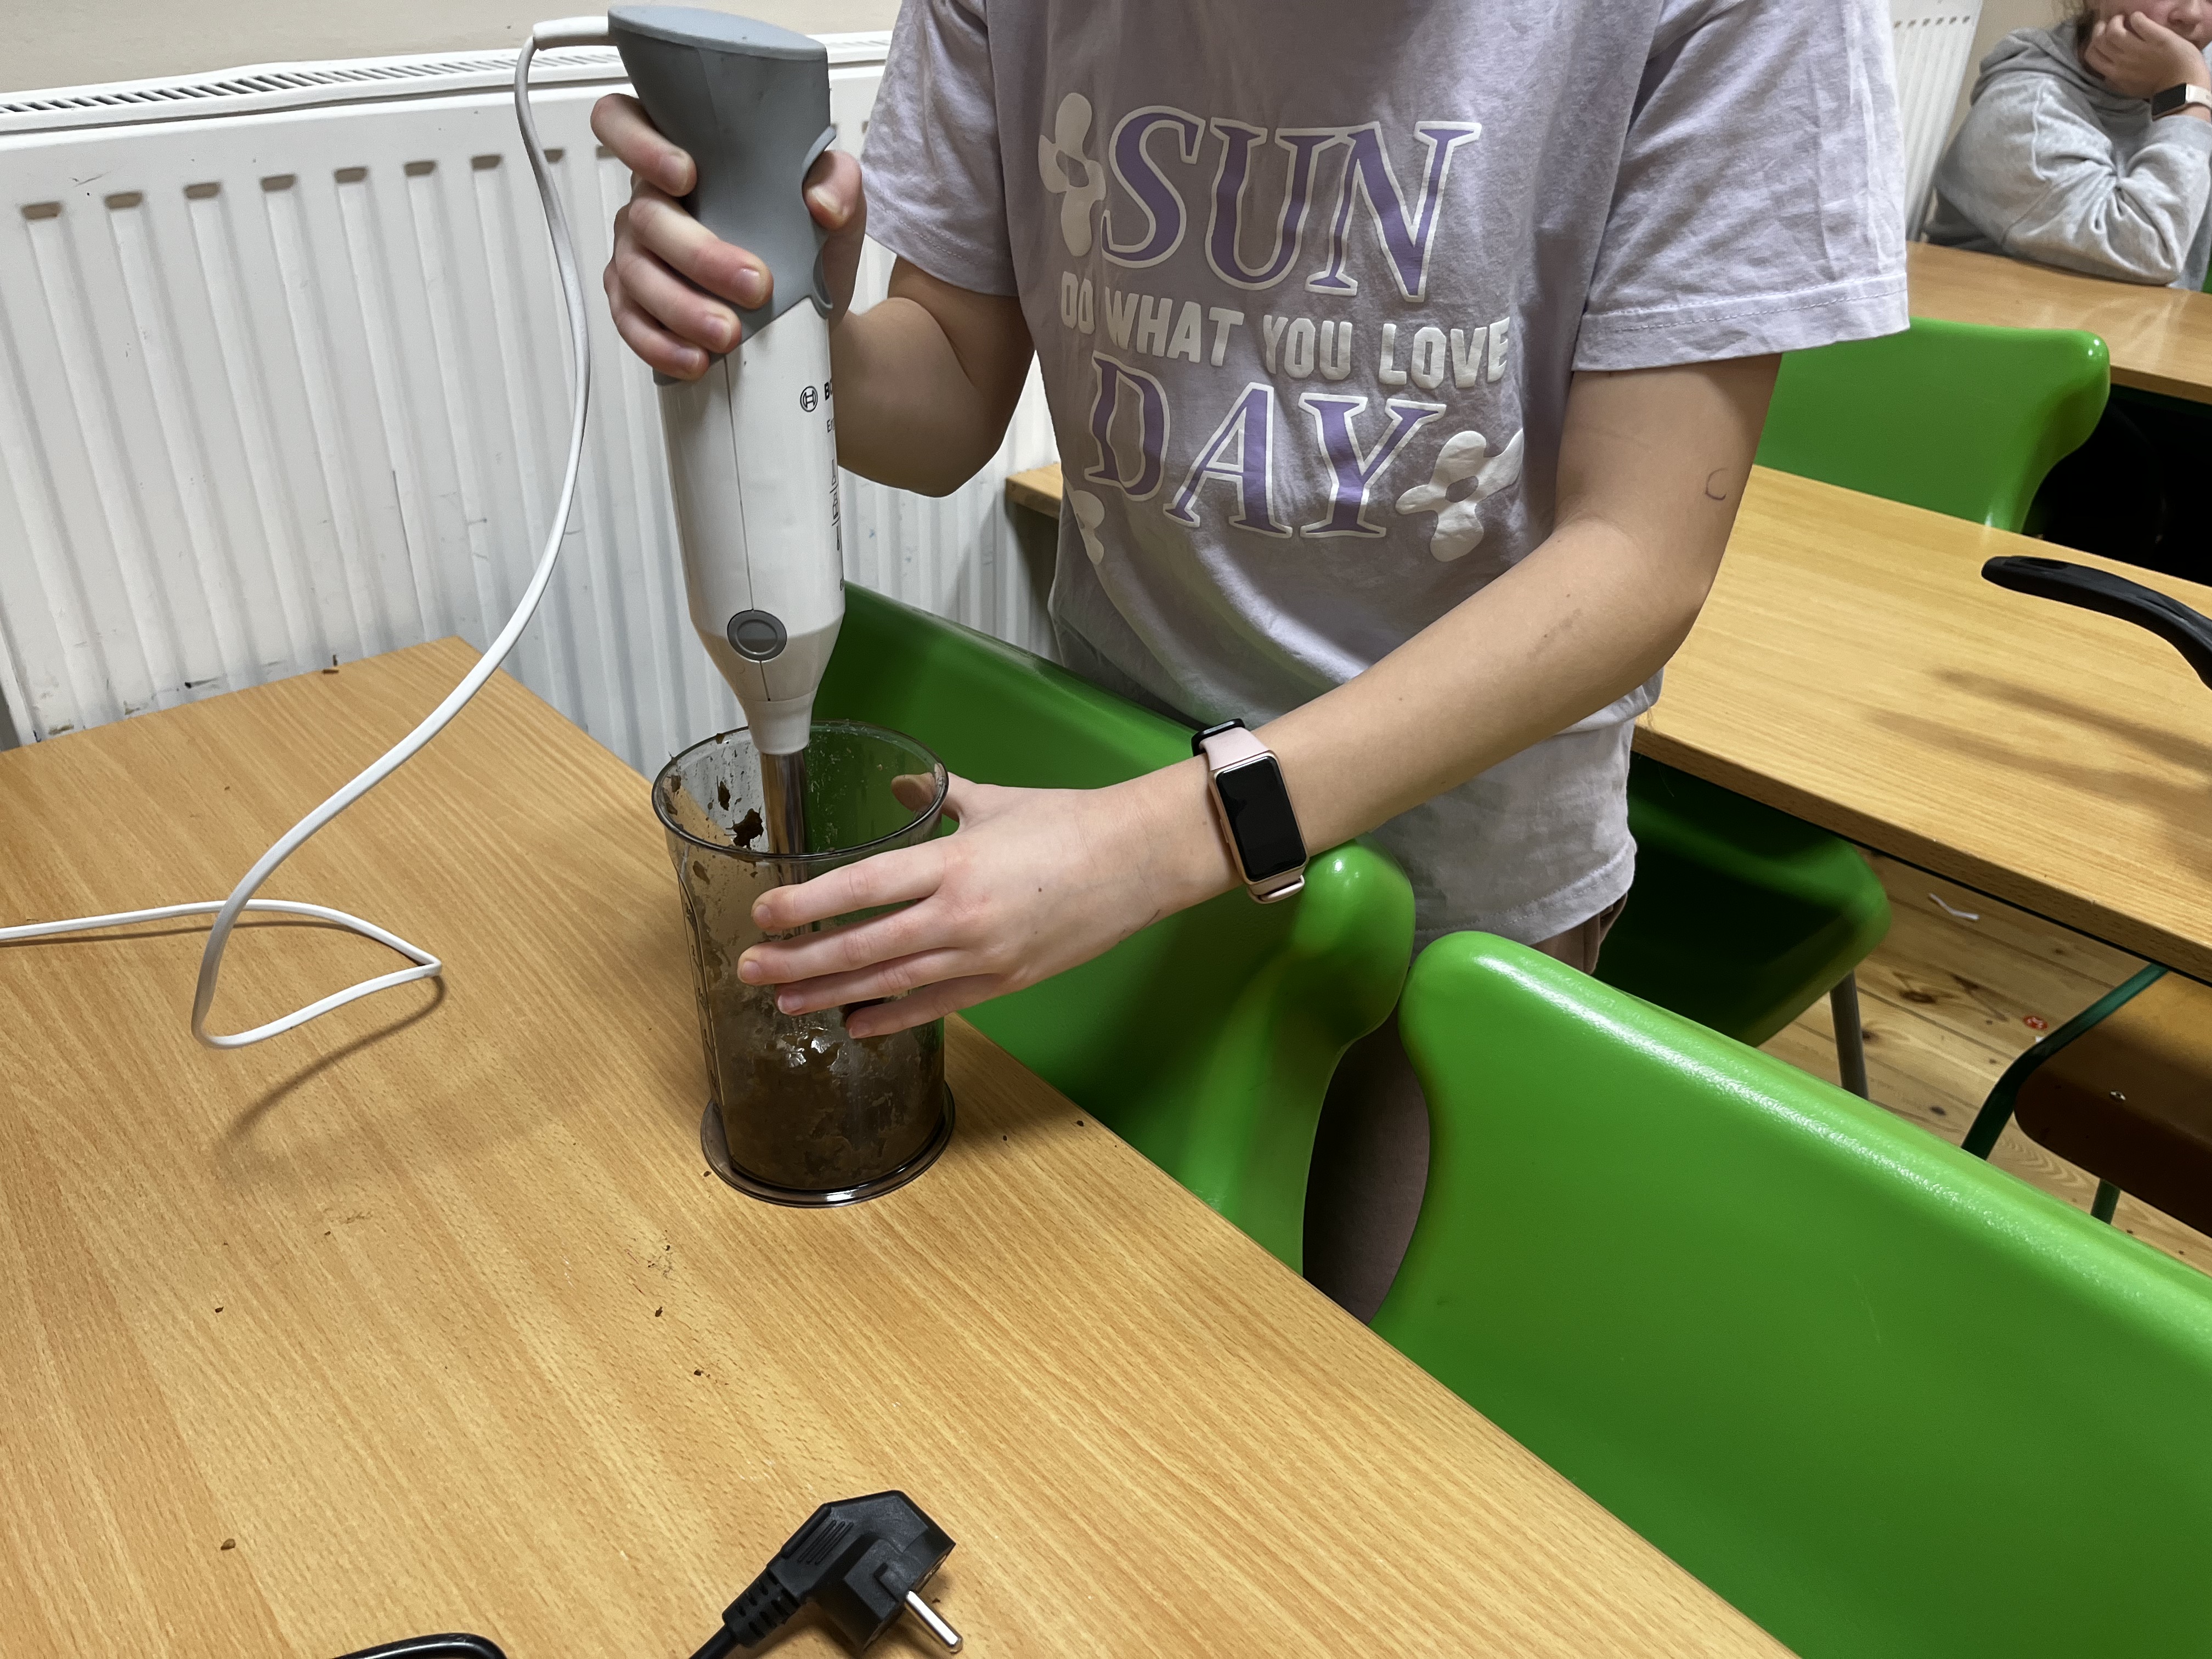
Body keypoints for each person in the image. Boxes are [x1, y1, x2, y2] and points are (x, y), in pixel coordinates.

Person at [594, 0, 1906, 1319]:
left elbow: (1636, 557)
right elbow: (944, 398)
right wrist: (783, 329)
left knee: (1352, 1382)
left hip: (1450, 870)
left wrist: (1153, 844)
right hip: (1105, 805)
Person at [1926, 0, 2212, 288]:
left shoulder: (2193, 69)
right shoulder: (2030, 113)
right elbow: (2150, 249)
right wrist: (2188, 99)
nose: (2191, 14)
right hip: (2011, 313)